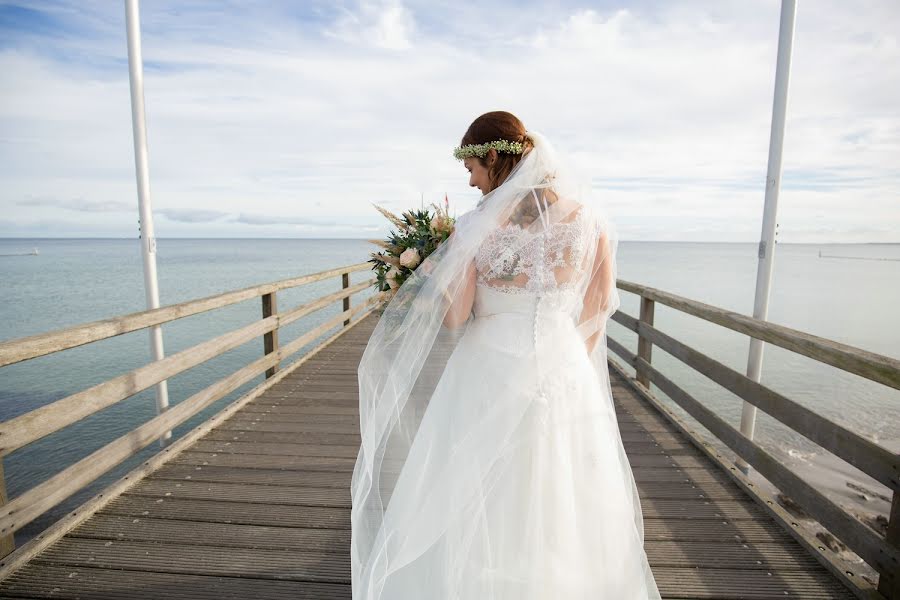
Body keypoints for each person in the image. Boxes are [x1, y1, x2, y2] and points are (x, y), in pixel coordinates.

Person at [351, 111, 662, 599]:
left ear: (493, 157)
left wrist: (436, 278)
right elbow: (599, 307)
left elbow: (456, 317)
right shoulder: (590, 221)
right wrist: (564, 363)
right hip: (564, 370)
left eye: (472, 168)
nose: (471, 182)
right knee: (561, 495)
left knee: (479, 493)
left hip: (488, 367)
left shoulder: (477, 226)